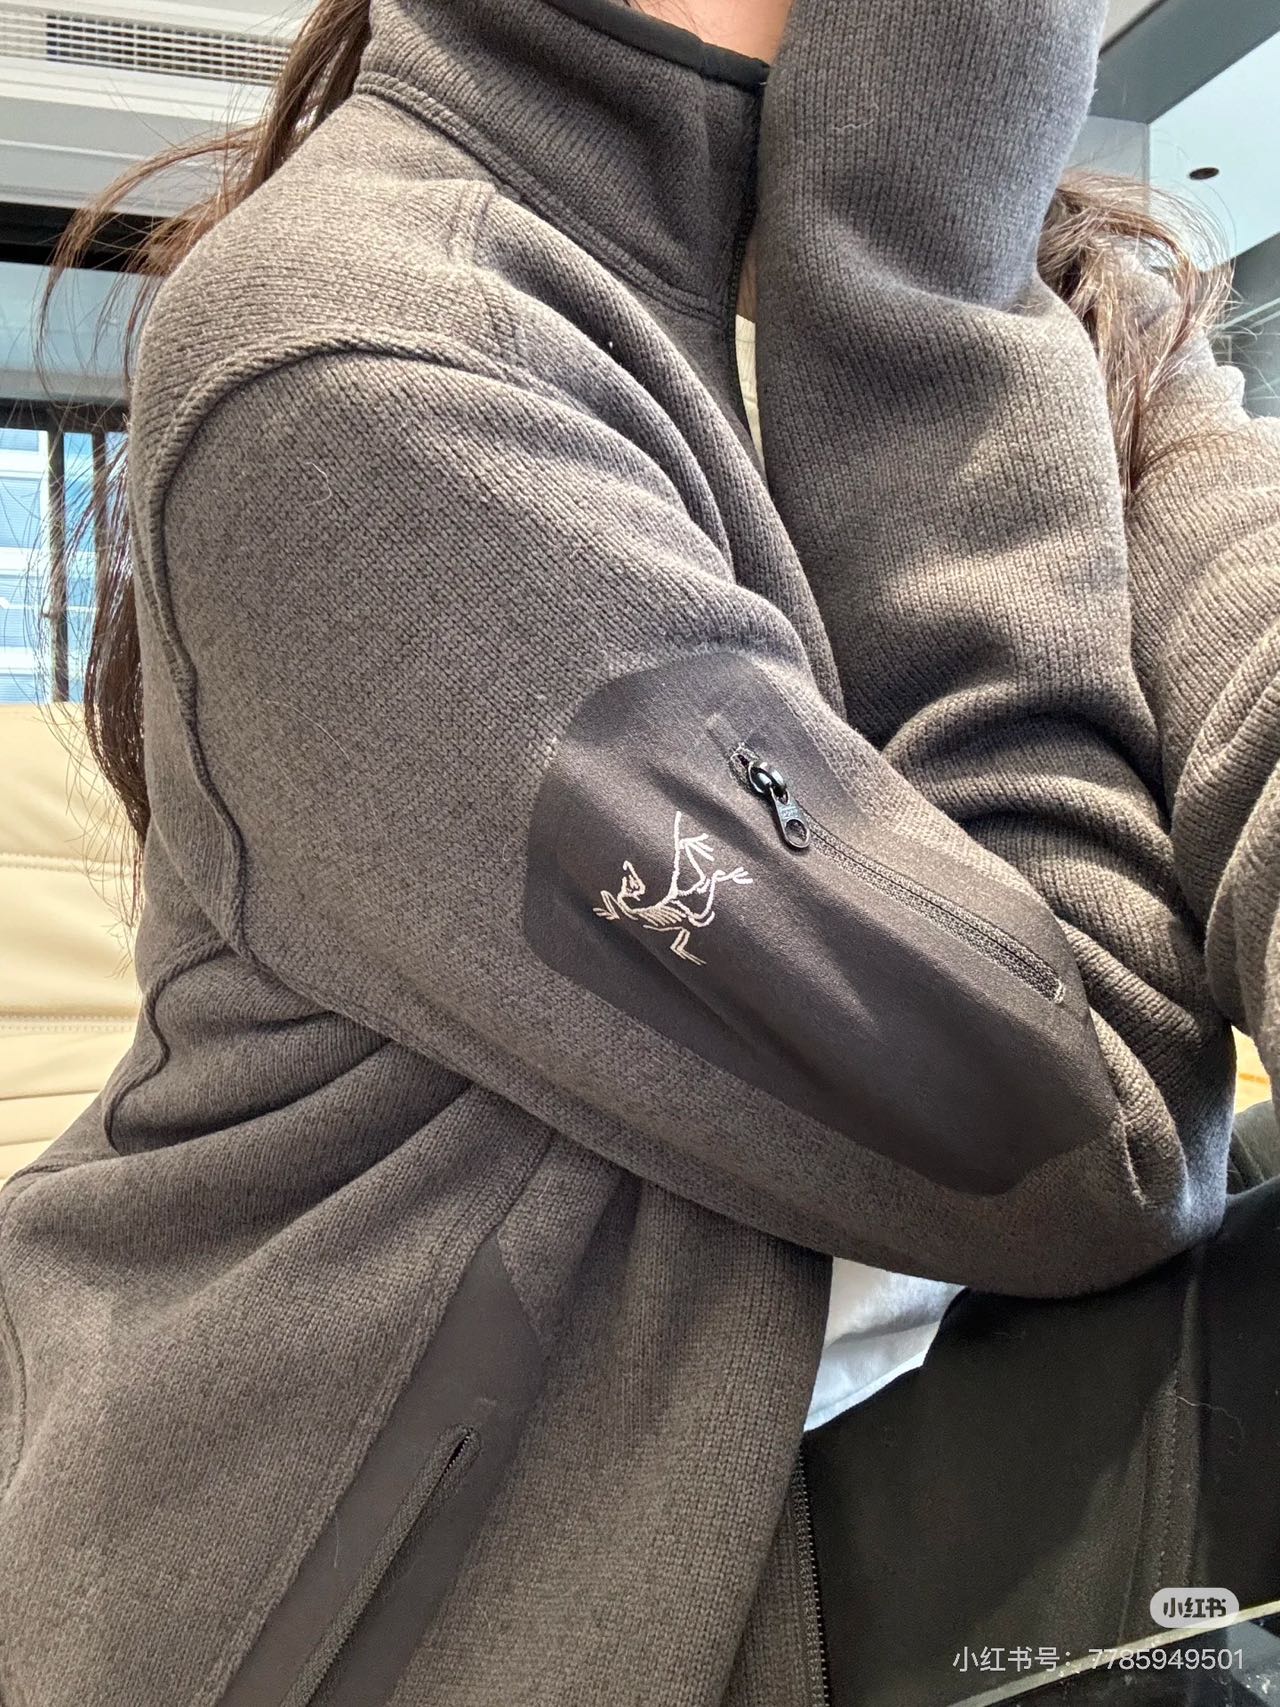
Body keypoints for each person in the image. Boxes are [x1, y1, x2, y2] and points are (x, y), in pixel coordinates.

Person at [0, 1, 1276, 1704]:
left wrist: (961, 264)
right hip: (432, 1583)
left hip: (878, 1419)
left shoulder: (1043, 272)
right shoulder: (364, 352)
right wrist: (929, 320)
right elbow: (1084, 1141)